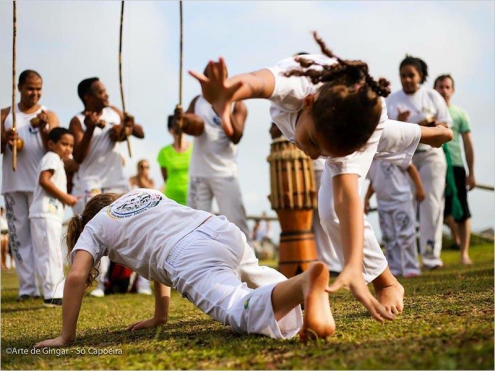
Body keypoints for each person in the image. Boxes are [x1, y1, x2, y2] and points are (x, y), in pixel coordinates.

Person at [188, 32, 453, 320]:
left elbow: (347, 197)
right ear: (309, 102)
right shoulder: (297, 80)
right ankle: (432, 133)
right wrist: (228, 91)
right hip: (351, 114)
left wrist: (353, 264)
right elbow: (257, 81)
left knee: (331, 210)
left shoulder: (352, 137)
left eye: (319, 149)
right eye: (313, 143)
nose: (313, 156)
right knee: (391, 133)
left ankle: (387, 282)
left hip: (363, 121)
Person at [34, 189, 335, 348]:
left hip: (188, 253)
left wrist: (66, 337)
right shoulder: (142, 193)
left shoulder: (95, 227)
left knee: (234, 307)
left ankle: (304, 284)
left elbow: (75, 277)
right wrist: (160, 316)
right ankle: (303, 294)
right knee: (252, 272)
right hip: (218, 228)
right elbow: (153, 267)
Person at [69, 77, 145, 297]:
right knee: (93, 230)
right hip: (90, 182)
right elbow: (79, 156)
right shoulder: (78, 121)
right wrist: (91, 129)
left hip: (116, 181)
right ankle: (99, 284)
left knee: (132, 225)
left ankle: (140, 282)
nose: (106, 95)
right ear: (88, 97)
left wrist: (127, 127)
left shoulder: (113, 112)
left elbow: (140, 132)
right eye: (101, 92)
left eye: (105, 91)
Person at [386, 56, 452, 270]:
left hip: (431, 156)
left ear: (420, 76)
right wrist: (404, 123)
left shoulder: (432, 96)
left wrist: (430, 124)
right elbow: (387, 132)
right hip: (404, 158)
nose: (407, 79)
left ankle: (431, 257)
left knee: (431, 205)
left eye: (411, 75)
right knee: (405, 205)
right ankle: (407, 258)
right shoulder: (392, 100)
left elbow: (446, 126)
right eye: (403, 75)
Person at [1, 70, 60, 300]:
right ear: (19, 88)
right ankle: (27, 289)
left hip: (42, 184)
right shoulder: (6, 115)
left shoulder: (49, 115)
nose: (34, 93)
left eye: (38, 89)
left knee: (44, 237)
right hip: (13, 183)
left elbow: (56, 148)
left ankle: (51, 288)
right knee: (20, 238)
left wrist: (45, 129)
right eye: (30, 88)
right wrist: (7, 138)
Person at [177, 69, 250, 238]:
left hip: (225, 173)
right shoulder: (197, 101)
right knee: (195, 225)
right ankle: (197, 262)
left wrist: (223, 107)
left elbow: (237, 136)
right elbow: (186, 125)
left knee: (237, 224)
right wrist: (180, 120)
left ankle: (244, 263)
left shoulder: (237, 102)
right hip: (198, 174)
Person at [29, 128, 78, 307]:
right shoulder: (51, 157)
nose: (68, 149)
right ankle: (53, 293)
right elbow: (45, 180)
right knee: (49, 253)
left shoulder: (57, 160)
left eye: (71, 145)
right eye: (64, 144)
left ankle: (55, 291)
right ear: (51, 144)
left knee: (52, 252)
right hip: (44, 213)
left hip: (50, 213)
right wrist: (66, 198)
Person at [434, 74, 475, 265]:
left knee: (463, 211)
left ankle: (464, 253)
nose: (444, 90)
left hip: (456, 166)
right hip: (432, 166)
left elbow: (467, 144)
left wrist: (471, 171)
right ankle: (437, 252)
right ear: (434, 90)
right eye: (440, 87)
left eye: (447, 87)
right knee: (440, 211)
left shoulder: (460, 114)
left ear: (453, 90)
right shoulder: (428, 114)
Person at [364, 160, 425, 277]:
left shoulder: (393, 148)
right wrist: (366, 199)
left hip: (401, 200)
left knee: (406, 234)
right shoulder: (370, 159)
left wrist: (419, 187)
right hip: (383, 204)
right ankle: (395, 268)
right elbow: (373, 181)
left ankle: (411, 267)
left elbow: (410, 168)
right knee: (389, 237)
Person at [157, 115, 192, 205]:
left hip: (193, 198)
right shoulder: (164, 152)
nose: (177, 129)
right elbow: (166, 178)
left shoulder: (195, 148)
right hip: (172, 200)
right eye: (174, 126)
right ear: (170, 130)